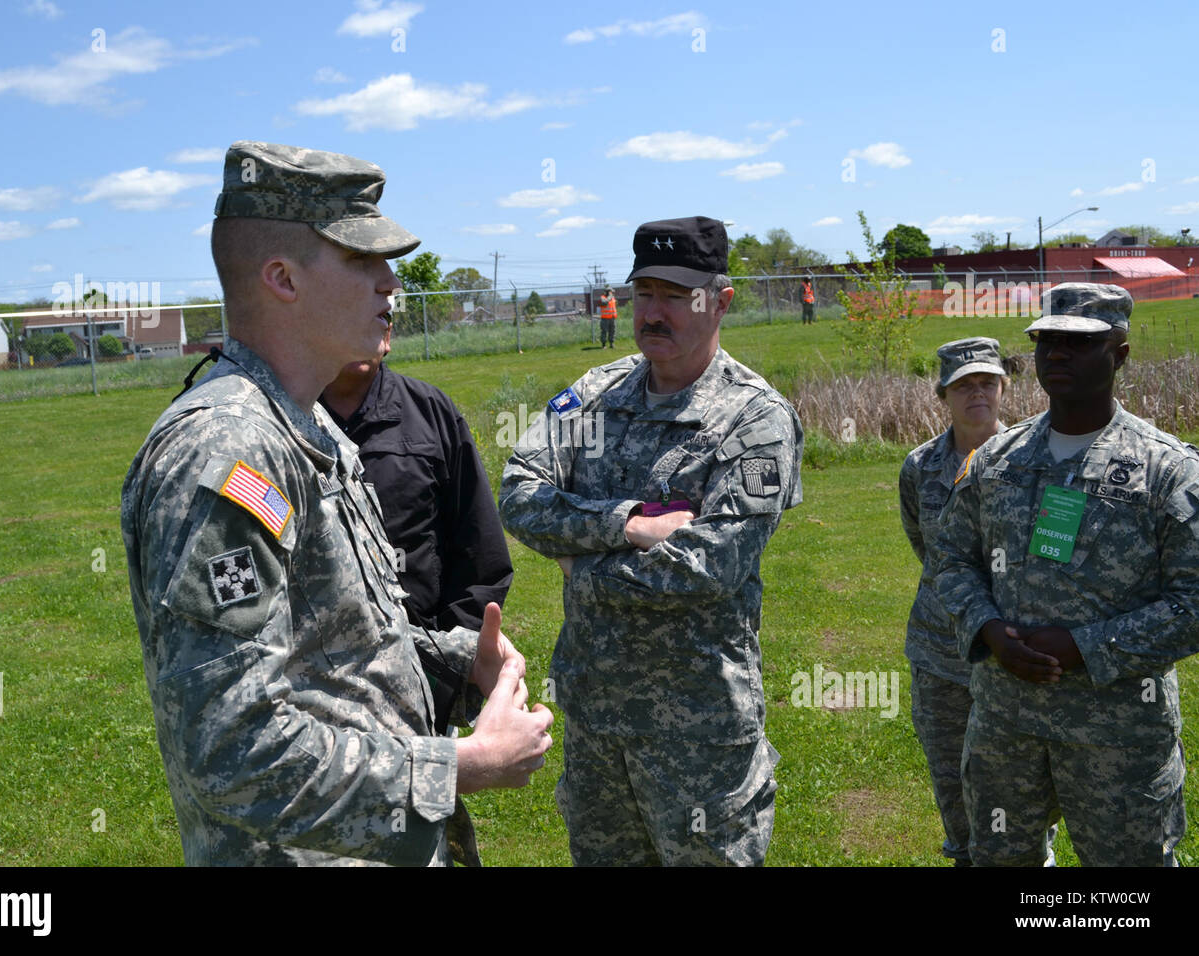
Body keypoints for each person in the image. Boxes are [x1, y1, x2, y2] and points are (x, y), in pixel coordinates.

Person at [121, 141, 553, 866]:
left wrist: (455, 666)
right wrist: (461, 770)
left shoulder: (306, 422)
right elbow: (232, 748)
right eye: (362, 261)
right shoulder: (230, 447)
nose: (392, 283)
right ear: (283, 278)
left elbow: (337, 649)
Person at [500, 216, 803, 866]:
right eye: (645, 293)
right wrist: (624, 526)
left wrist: (576, 560)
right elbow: (520, 493)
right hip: (596, 723)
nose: (654, 312)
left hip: (698, 735)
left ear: (720, 299)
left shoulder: (755, 419)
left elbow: (707, 566)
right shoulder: (591, 400)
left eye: (676, 295)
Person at [933, 282, 1199, 866]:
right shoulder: (999, 460)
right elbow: (950, 559)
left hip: (1117, 734)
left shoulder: (1166, 470)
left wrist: (1085, 646)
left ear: (1120, 354)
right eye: (1047, 341)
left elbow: (1194, 603)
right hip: (1006, 725)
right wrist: (987, 630)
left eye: (1078, 344)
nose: (1056, 355)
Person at [319, 323, 515, 866]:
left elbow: (478, 556)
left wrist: (445, 671)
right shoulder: (281, 420)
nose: (380, 313)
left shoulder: (429, 413)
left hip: (414, 684)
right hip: (316, 690)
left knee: (420, 835)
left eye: (389, 304)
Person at [900, 338, 1010, 865]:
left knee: (1013, 788)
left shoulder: (1031, 462)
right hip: (939, 653)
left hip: (1010, 653)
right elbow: (926, 548)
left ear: (1003, 388)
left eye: (987, 382)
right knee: (952, 784)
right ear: (943, 394)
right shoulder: (919, 467)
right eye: (963, 385)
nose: (977, 394)